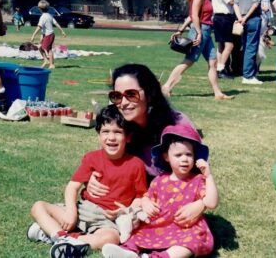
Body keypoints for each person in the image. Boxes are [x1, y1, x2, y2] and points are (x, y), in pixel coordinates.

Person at [87, 64, 209, 232]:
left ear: (150, 94)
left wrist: (200, 204)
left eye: (131, 94)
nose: (123, 103)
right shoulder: (123, 126)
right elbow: (109, 160)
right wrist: (94, 177)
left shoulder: (177, 127)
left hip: (177, 198)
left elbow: (201, 173)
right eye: (117, 96)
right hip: (142, 198)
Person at [27, 105, 148, 257]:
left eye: (118, 132)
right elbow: (72, 187)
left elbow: (141, 196)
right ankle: (59, 236)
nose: (111, 137)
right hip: (82, 210)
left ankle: (63, 239)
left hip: (106, 219)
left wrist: (125, 210)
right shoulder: (92, 158)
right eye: (105, 132)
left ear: (128, 137)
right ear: (98, 135)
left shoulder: (136, 164)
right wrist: (71, 212)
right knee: (38, 206)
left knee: (111, 238)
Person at [102, 123, 219, 258]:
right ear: (166, 157)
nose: (184, 159)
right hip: (160, 225)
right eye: (178, 155)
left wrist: (208, 176)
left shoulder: (198, 180)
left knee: (192, 242)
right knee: (139, 232)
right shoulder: (160, 180)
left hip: (186, 228)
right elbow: (147, 196)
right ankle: (129, 251)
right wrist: (146, 202)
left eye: (189, 154)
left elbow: (211, 203)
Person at [162, 0, 234, 100]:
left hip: (205, 30)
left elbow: (191, 16)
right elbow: (194, 15)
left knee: (213, 62)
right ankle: (166, 86)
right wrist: (199, 33)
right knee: (189, 60)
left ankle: (218, 93)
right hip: (200, 30)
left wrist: (181, 30)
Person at [234, 0, 264, 85]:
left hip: (241, 18)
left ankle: (247, 73)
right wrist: (246, 18)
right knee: (251, 47)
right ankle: (248, 76)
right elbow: (256, 4)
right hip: (253, 19)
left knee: (246, 47)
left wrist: (240, 18)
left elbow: (235, 4)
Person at [30, 0, 66, 69]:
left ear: (39, 9)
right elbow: (56, 23)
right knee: (42, 48)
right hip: (49, 35)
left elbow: (39, 27)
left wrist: (33, 35)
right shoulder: (50, 15)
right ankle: (48, 62)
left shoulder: (43, 17)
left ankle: (50, 63)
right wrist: (62, 31)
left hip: (48, 35)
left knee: (45, 48)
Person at [211, 0, 235, 79]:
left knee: (221, 46)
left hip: (218, 18)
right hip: (224, 18)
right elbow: (231, 1)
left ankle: (219, 69)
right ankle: (221, 69)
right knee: (229, 46)